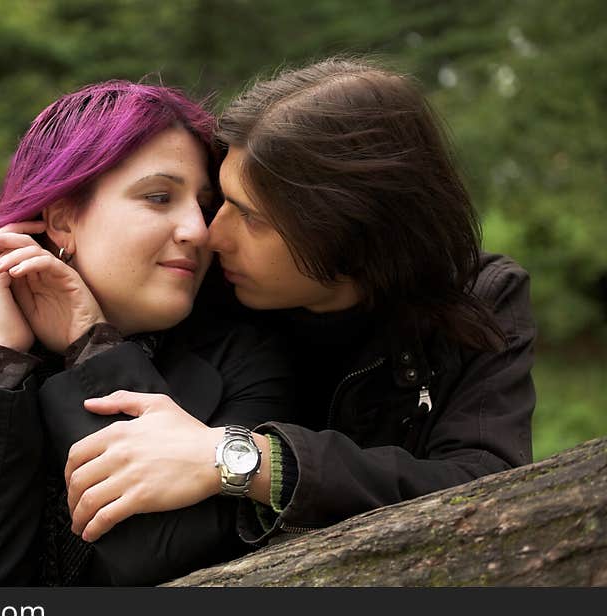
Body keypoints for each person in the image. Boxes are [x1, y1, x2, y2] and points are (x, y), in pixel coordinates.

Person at [0, 80, 295, 586]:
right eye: (159, 197)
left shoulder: (251, 357)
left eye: (202, 205)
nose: (199, 230)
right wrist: (3, 362)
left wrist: (90, 342)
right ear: (63, 219)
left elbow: (160, 557)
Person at [61, 57, 536, 547]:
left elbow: (487, 484)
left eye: (248, 216)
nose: (209, 234)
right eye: (218, 201)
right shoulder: (198, 290)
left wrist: (244, 459)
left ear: (344, 228)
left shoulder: (480, 298)